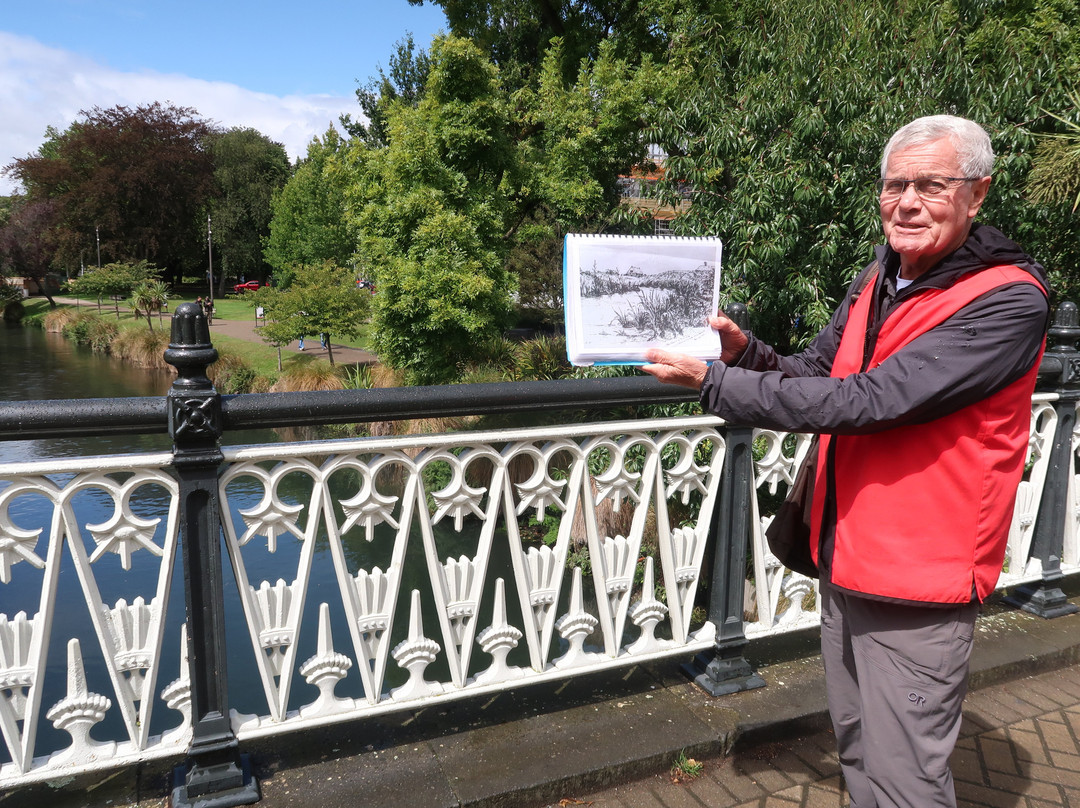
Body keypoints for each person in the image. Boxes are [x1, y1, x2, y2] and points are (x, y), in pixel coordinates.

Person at [642, 115, 1049, 808]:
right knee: (859, 747)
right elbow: (820, 371)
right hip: (847, 556)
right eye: (895, 184)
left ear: (977, 195)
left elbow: (871, 401)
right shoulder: (881, 275)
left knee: (906, 779)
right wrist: (746, 354)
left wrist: (716, 385)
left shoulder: (1008, 299)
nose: (908, 201)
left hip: (921, 578)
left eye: (931, 184)